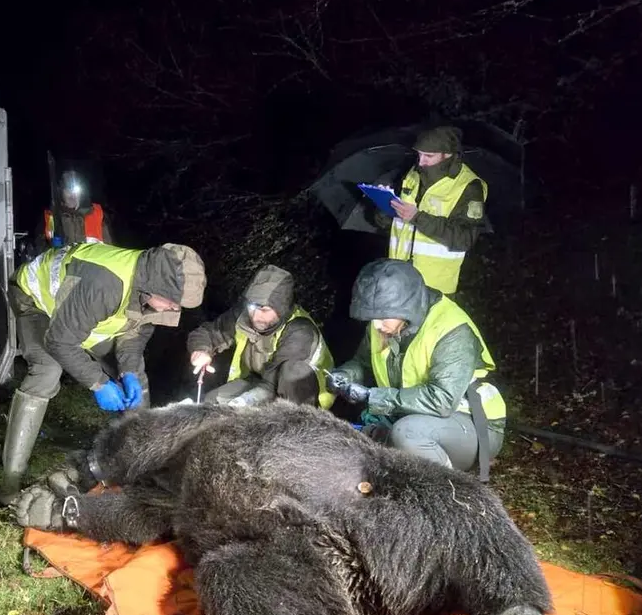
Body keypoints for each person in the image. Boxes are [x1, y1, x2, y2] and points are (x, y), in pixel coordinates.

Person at [0, 241, 207, 503]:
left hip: (85, 318)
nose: (174, 309)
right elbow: (60, 341)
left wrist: (129, 371)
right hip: (36, 301)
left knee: (137, 378)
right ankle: (10, 484)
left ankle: (138, 473)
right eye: (172, 303)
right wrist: (98, 383)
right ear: (154, 287)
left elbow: (133, 336)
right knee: (47, 370)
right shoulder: (106, 285)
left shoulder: (154, 292)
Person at [327, 259, 506, 482]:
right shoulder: (385, 322)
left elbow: (441, 400)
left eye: (382, 318)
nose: (376, 326)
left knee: (406, 433)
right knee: (360, 435)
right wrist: (345, 375)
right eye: (372, 318)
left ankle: (449, 491)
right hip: (414, 415)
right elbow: (362, 363)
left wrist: (374, 396)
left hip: (472, 426)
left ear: (407, 308)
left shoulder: (452, 330)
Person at [186, 265, 334, 409]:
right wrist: (201, 350)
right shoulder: (243, 316)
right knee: (212, 402)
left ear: (281, 308)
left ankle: (299, 426)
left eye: (264, 309)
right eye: (252, 307)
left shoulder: (300, 330)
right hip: (258, 378)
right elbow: (209, 332)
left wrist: (240, 404)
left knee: (292, 373)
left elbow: (272, 385)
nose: (256, 316)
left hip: (302, 392)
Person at [373, 126, 488, 294]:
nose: (421, 162)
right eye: (419, 154)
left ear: (447, 154)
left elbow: (465, 239)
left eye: (428, 156)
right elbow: (391, 224)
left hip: (435, 288)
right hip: (398, 278)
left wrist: (417, 218)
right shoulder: (413, 174)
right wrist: (384, 205)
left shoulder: (469, 187)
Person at [39, 170, 114, 250]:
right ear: (60, 191)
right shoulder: (50, 217)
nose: (72, 194)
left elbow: (110, 250)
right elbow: (40, 251)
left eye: (75, 189)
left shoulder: (97, 215)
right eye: (67, 189)